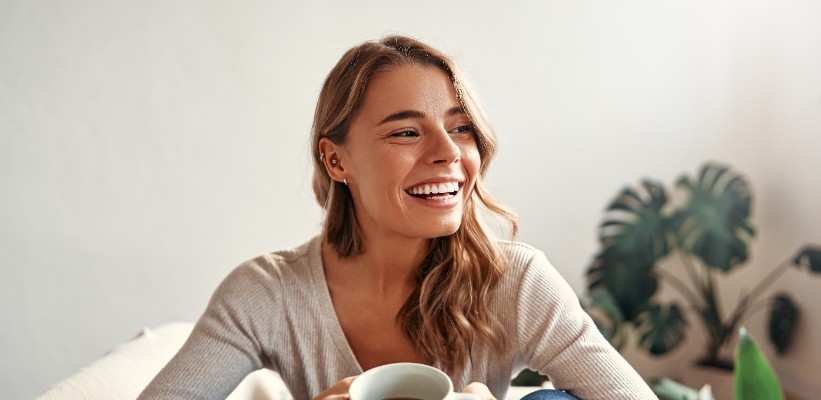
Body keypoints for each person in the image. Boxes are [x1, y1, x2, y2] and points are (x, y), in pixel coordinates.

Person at [139, 35, 657, 400]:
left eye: (461, 128)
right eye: (406, 132)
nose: (448, 153)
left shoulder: (516, 282)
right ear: (335, 159)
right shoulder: (267, 293)